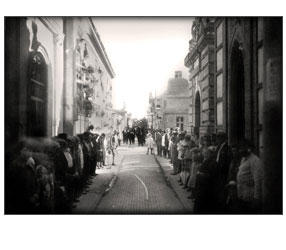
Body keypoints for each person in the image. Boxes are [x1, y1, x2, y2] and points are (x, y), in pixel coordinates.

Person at [236, 139, 263, 214]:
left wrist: (257, 198)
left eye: (242, 148)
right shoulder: (243, 159)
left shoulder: (255, 161)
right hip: (242, 196)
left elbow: (258, 180)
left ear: (249, 148)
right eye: (240, 148)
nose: (240, 150)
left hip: (250, 198)